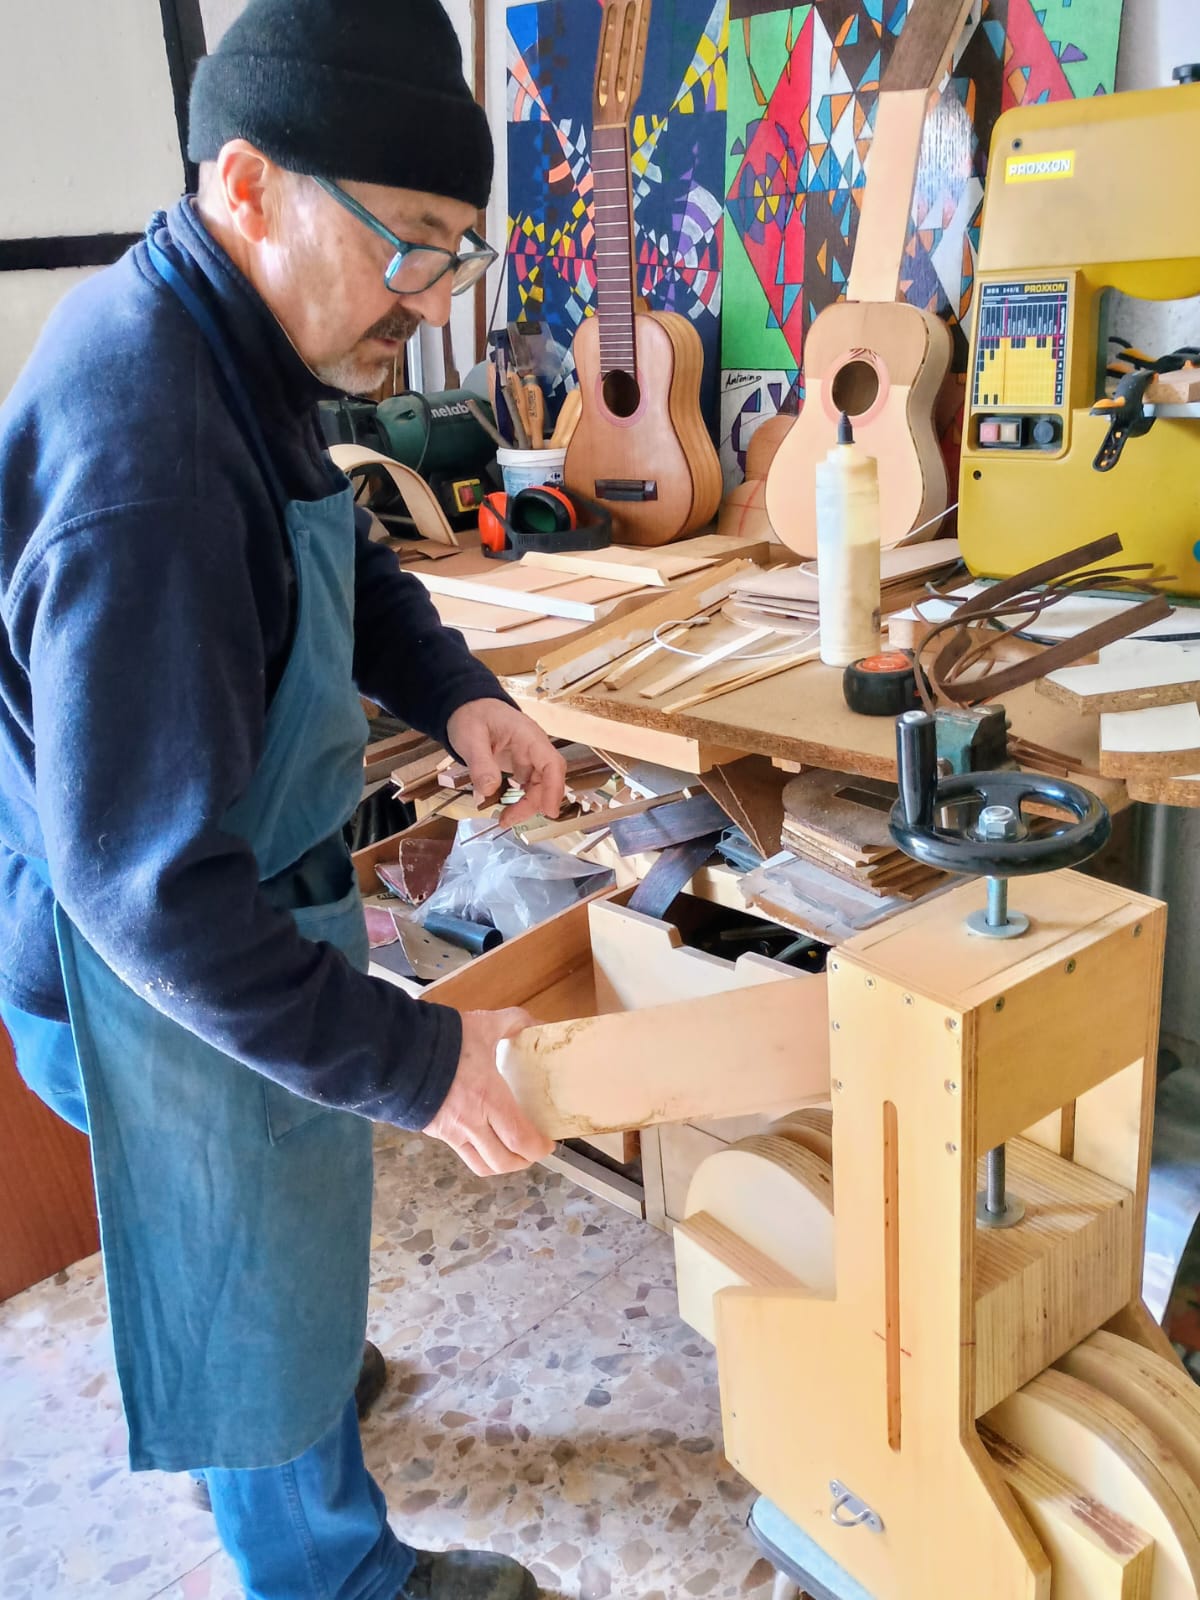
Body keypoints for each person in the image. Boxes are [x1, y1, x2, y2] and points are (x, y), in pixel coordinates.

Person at [0, 1, 567, 1595]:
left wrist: (457, 689)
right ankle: (330, 1562)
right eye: (413, 246)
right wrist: (422, 1062)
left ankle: (290, 1392)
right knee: (242, 1265)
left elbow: (347, 546)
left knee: (270, 1246)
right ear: (248, 184)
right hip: (156, 967)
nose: (433, 300)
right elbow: (152, 900)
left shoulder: (233, 334)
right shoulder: (153, 456)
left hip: (230, 910)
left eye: (457, 252)